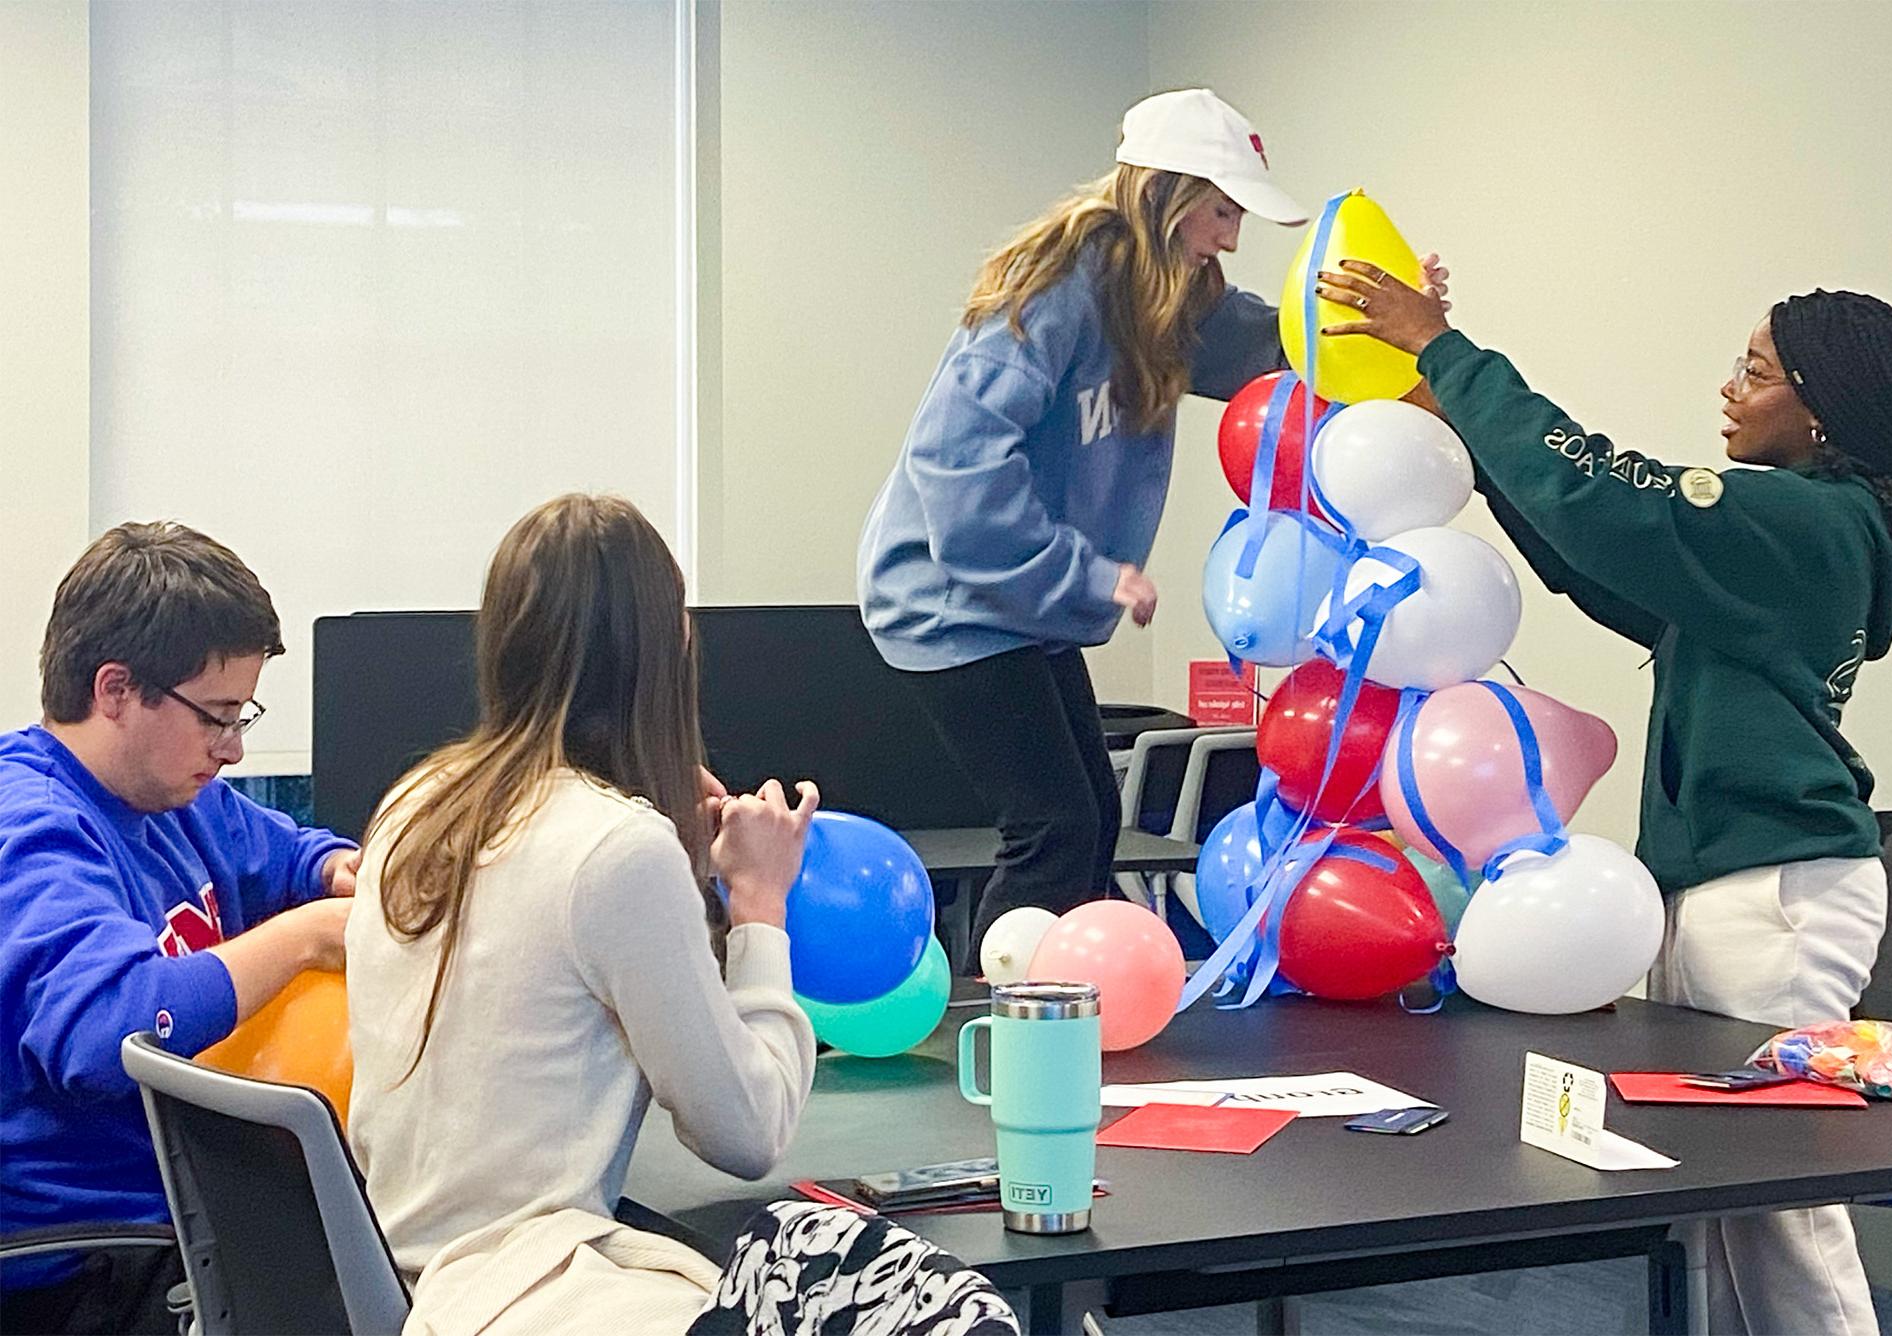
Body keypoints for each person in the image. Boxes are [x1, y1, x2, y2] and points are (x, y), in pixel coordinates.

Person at [1318, 262, 1892, 1335]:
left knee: (1778, 1203)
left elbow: (1607, 494)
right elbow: (1603, 557)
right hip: (1737, 881)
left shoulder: (1806, 525)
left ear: (1822, 409)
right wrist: (1481, 448)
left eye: (1757, 370)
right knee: (1714, 1204)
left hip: (1775, 890)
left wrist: (1448, 350)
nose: (1731, 387)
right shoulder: (1796, 542)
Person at [344, 494, 821, 1328]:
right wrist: (759, 904)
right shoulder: (614, 851)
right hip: (532, 1297)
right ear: (667, 649)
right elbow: (747, 1131)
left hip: (404, 1275)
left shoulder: (414, 805)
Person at [856, 88, 1312, 947]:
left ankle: (1075, 1013)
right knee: (1056, 828)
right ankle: (1018, 1032)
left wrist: (1383, 320)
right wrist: (1085, 572)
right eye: (1219, 210)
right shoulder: (1056, 289)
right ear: (1165, 194)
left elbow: (1274, 339)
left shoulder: (1161, 291)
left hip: (1021, 605)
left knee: (1093, 816)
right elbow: (956, 464)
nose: (1230, 236)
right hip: (946, 600)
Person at [0, 522, 360, 1335]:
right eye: (216, 717)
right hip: (92, 1268)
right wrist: (304, 936)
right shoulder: (30, 831)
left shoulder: (171, 793)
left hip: (201, 1209)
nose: (231, 750)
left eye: (244, 717)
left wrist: (344, 873)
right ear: (116, 690)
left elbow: (292, 855)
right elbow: (108, 1034)